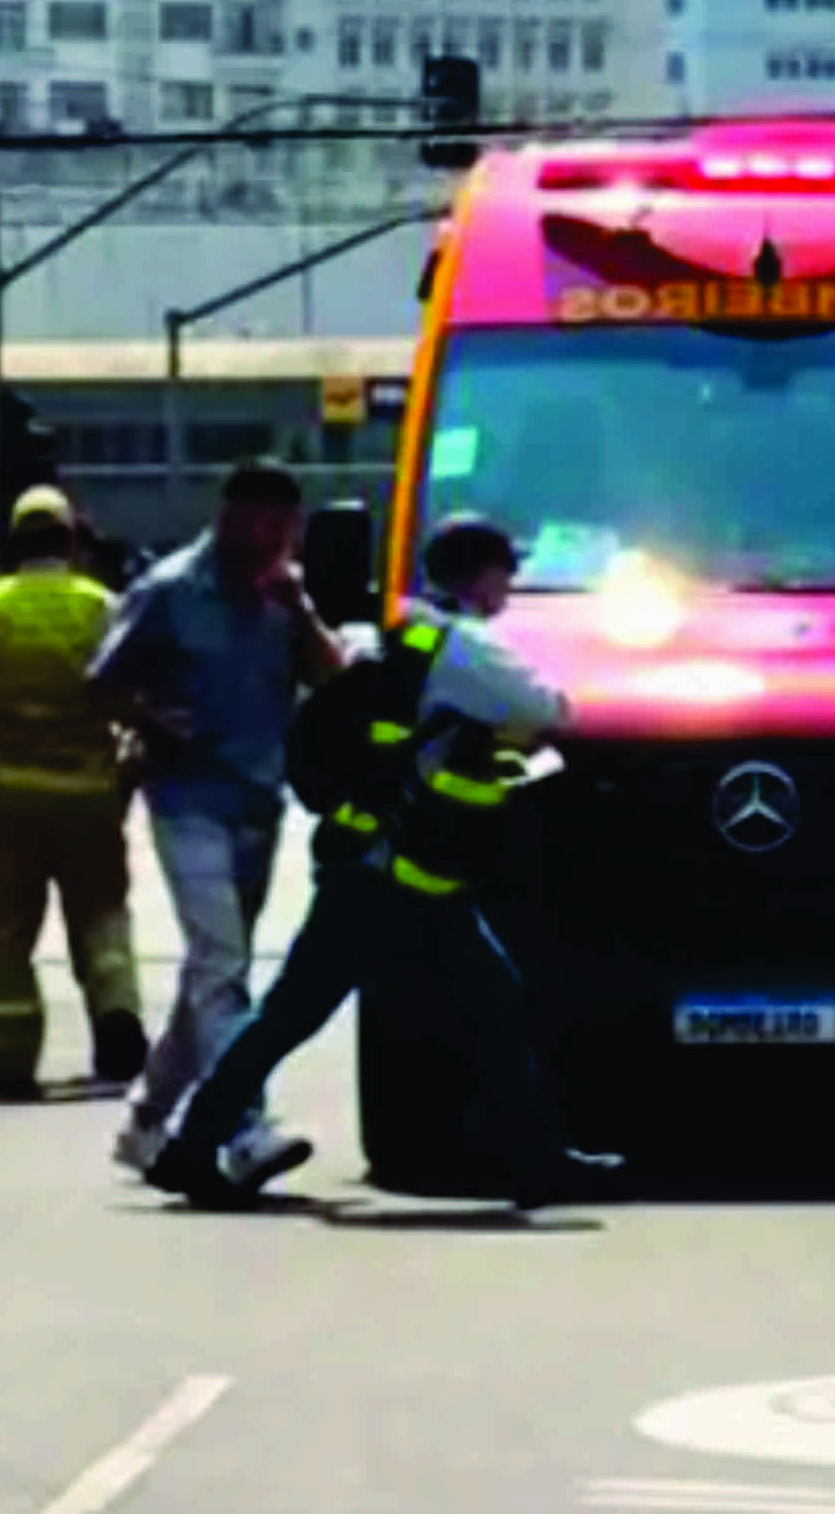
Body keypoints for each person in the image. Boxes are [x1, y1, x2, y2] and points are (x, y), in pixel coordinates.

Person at [145, 516, 618, 1210]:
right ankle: (538, 1163)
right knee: (484, 1004)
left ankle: (189, 1147)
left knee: (303, 1014)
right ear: (482, 573)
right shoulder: (465, 648)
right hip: (405, 877)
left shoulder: (392, 634)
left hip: (368, 861)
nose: (510, 586)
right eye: (505, 572)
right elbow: (550, 709)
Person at [91, 458, 348, 1178]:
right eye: (263, 522)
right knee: (222, 965)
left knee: (209, 977)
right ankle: (245, 1122)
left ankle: (146, 1121)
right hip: (187, 801)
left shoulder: (284, 598)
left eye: (286, 526)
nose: (275, 539)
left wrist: (300, 612)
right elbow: (101, 680)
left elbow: (334, 683)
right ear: (229, 515)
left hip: (259, 804)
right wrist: (152, 719)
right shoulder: (170, 591)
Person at [0, 487, 150, 1100]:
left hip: (6, 799)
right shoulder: (104, 608)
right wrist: (129, 768)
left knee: (7, 935)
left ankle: (13, 1062)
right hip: (90, 795)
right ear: (74, 544)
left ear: (12, 546)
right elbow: (142, 694)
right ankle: (116, 1015)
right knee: (103, 920)